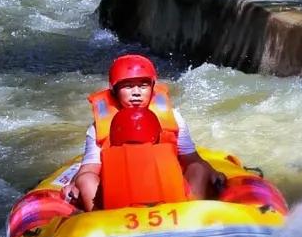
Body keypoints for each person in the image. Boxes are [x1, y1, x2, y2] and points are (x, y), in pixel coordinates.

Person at [66, 54, 223, 211]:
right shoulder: (98, 127)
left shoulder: (174, 118)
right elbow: (90, 169)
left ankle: (193, 214)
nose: (136, 92)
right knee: (86, 180)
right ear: (114, 91)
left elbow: (191, 159)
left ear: (152, 88)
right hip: (116, 192)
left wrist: (211, 172)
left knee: (198, 168)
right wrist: (77, 181)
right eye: (128, 86)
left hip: (168, 184)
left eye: (143, 86)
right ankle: (98, 218)